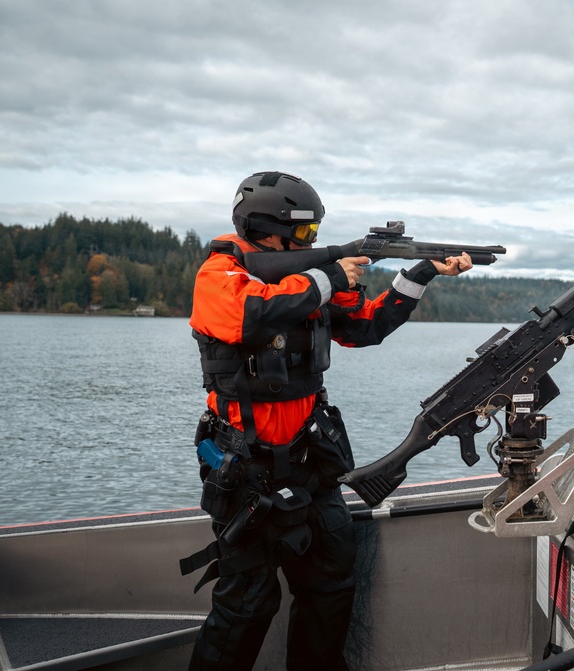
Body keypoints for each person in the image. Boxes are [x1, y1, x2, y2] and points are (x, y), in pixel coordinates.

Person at [182, 170, 472, 670]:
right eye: (305, 235)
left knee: (331, 587)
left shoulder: (308, 281)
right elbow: (251, 316)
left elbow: (367, 327)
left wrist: (419, 272)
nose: (312, 242)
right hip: (246, 474)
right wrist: (329, 275)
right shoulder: (221, 274)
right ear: (265, 228)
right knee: (246, 605)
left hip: (312, 468)